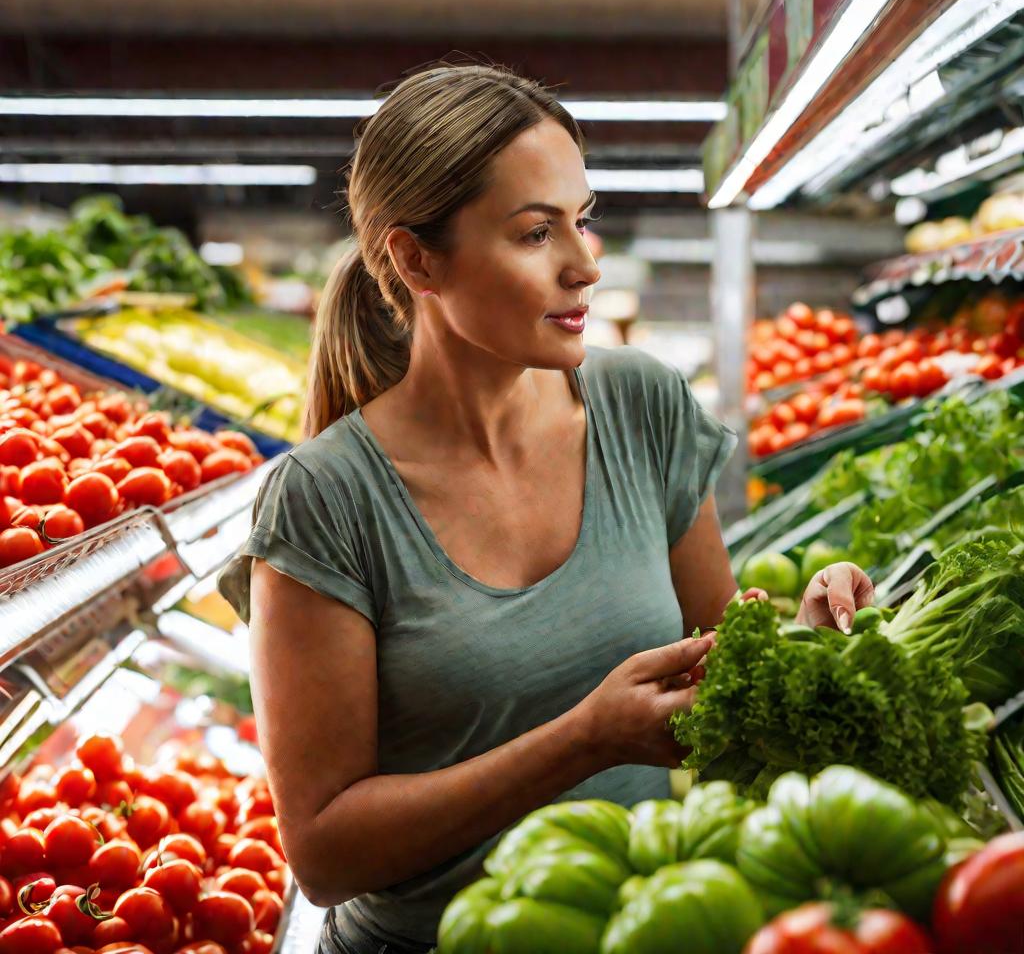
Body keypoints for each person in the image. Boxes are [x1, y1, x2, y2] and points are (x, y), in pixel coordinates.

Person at [219, 63, 874, 954]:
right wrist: (580, 741)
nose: (585, 263)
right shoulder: (327, 499)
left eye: (584, 218)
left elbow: (719, 690)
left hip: (642, 929)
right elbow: (326, 853)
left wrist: (799, 637)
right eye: (536, 233)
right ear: (415, 259)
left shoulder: (640, 406)